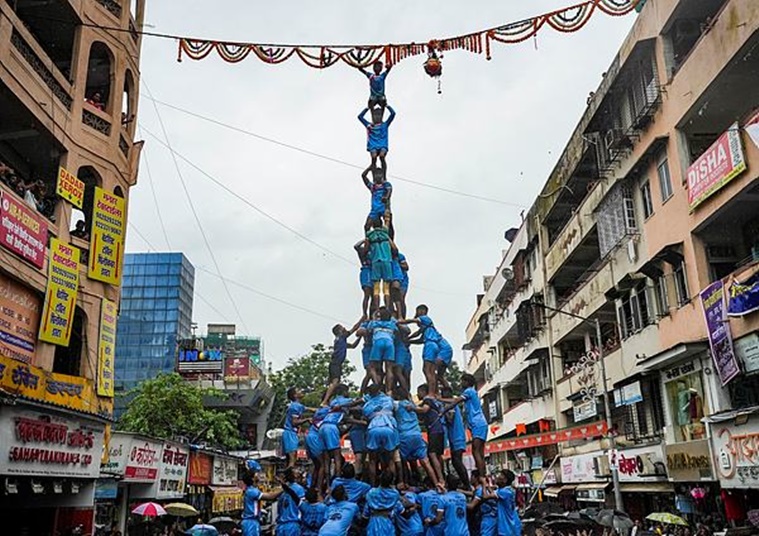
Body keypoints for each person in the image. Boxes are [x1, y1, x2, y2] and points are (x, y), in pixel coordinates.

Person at [441, 374, 488, 482]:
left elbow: (455, 401)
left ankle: (481, 477)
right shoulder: (471, 393)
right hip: (479, 424)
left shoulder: (469, 391)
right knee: (480, 452)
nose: (461, 383)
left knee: (476, 451)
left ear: (467, 382)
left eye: (462, 381)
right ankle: (483, 475)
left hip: (478, 424)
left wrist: (442, 408)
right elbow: (453, 400)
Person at [394, 386, 440, 487]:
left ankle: (404, 482)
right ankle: (437, 483)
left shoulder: (397, 405)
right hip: (417, 435)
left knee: (402, 461)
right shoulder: (412, 405)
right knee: (425, 462)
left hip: (404, 436)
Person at [403, 305, 453, 397]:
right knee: (439, 376)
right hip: (444, 349)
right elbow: (419, 337)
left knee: (428, 370)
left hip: (440, 348)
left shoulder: (424, 318)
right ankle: (447, 394)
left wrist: (399, 321)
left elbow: (413, 321)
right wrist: (409, 340)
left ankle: (432, 393)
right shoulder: (428, 329)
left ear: (421, 311)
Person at [363, 383, 399, 485]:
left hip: (373, 428)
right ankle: (391, 485)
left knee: (372, 461)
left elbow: (365, 415)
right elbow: (395, 408)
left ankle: (373, 485)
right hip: (388, 428)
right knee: (391, 460)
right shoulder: (388, 400)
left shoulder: (368, 403)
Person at [323, 321, 362, 405]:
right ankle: (325, 401)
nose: (345, 328)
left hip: (336, 364)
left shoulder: (341, 341)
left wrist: (360, 337)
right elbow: (354, 328)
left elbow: (353, 346)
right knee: (335, 382)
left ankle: (328, 400)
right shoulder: (341, 337)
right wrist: (362, 320)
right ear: (339, 331)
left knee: (335, 384)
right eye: (342, 327)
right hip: (335, 363)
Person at [321, 384, 354, 479]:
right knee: (337, 457)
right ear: (344, 392)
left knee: (327, 458)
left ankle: (328, 483)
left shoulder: (333, 401)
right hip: (332, 426)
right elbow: (356, 404)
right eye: (347, 391)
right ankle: (338, 479)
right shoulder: (346, 400)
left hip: (323, 426)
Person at [365, 219, 398, 314]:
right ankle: (387, 308)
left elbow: (366, 248)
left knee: (376, 287)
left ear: (372, 226)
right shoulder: (385, 232)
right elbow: (387, 223)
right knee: (386, 287)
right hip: (387, 260)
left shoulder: (370, 235)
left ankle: (377, 309)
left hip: (375, 261)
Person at [441, 386, 470, 489]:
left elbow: (450, 419)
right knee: (455, 461)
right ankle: (464, 482)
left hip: (457, 436)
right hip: (455, 437)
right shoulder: (452, 404)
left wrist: (442, 413)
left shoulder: (451, 405)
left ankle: (466, 484)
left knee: (457, 461)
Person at [416, 384, 445, 485]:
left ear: (424, 391)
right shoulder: (432, 403)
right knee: (438, 455)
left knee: (432, 454)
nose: (418, 394)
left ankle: (440, 479)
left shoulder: (427, 400)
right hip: (438, 430)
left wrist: (412, 408)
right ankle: (442, 475)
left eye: (419, 391)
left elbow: (424, 409)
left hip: (435, 430)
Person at [365, 306, 398, 391]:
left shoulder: (374, 323)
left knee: (372, 366)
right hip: (390, 343)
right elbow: (397, 330)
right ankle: (389, 390)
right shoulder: (392, 324)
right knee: (389, 368)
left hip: (378, 342)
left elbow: (368, 330)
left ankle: (377, 387)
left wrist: (374, 316)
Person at [241, 470, 283, 536]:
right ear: (252, 478)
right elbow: (270, 496)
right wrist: (284, 488)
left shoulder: (251, 489)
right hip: (250, 523)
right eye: (256, 475)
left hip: (253, 522)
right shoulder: (252, 491)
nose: (258, 476)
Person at [358, 105, 396, 174]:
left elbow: (393, 114)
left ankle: (384, 176)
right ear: (372, 116)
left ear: (381, 116)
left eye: (379, 115)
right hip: (373, 145)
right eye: (375, 115)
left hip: (382, 145)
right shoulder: (369, 125)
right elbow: (360, 117)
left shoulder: (385, 124)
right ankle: (374, 175)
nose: (377, 117)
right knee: (374, 157)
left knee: (382, 156)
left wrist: (387, 106)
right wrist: (368, 108)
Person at [364, 470, 401, 536]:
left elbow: (366, 511)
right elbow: (399, 509)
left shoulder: (371, 492)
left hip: (373, 523)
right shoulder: (395, 494)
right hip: (388, 522)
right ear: (392, 481)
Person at [361, 166, 392, 235]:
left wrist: (386, 197)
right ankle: (368, 241)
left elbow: (389, 191)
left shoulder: (386, 184)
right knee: (367, 226)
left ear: (382, 175)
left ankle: (389, 241)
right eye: (376, 174)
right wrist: (369, 168)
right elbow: (363, 176)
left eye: (379, 174)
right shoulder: (373, 187)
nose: (377, 176)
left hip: (383, 208)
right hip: (374, 210)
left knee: (388, 225)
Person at [283, 387, 309, 468]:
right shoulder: (294, 407)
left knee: (291, 458)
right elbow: (294, 422)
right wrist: (307, 419)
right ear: (295, 395)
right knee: (292, 458)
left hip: (291, 434)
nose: (301, 391)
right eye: (298, 390)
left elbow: (309, 409)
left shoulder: (298, 406)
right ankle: (290, 477)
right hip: (290, 433)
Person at [306, 405, 330, 492]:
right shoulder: (327, 410)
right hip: (315, 438)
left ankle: (312, 486)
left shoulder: (319, 411)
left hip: (310, 436)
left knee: (317, 466)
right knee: (322, 465)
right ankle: (319, 489)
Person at [276, 468, 306, 536]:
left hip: (281, 526)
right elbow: (302, 508)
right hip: (293, 525)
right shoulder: (299, 489)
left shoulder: (282, 491)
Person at [494, 470, 521, 536]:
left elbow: (485, 496)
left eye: (500, 476)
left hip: (507, 526)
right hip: (511, 524)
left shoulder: (504, 492)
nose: (497, 477)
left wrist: (484, 483)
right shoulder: (507, 490)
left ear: (505, 480)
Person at [469, 472, 497, 536]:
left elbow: (471, 506)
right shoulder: (480, 489)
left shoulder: (480, 491)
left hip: (488, 518)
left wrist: (459, 503)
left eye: (472, 477)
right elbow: (472, 493)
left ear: (476, 479)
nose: (470, 479)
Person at [355, 240, 373, 318]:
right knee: (367, 293)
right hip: (366, 272)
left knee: (374, 295)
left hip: (373, 272)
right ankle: (365, 313)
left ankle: (371, 313)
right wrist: (364, 240)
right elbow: (356, 246)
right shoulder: (362, 251)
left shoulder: (374, 250)